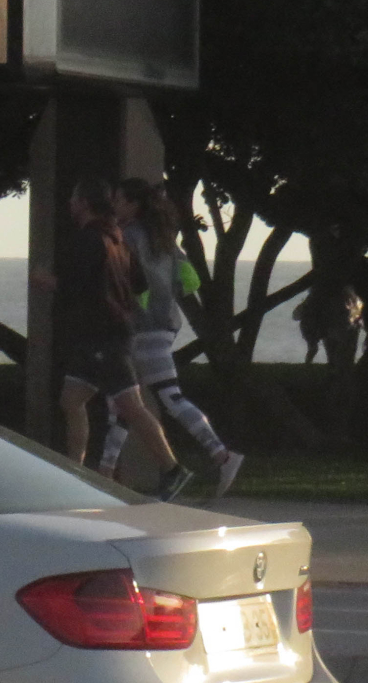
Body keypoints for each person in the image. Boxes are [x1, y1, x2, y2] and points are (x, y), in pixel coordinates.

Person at [33, 178, 188, 498]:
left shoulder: (90, 240)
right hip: (102, 336)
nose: (70, 204)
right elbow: (140, 283)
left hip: (103, 337)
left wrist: (47, 281)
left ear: (85, 203)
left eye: (74, 198)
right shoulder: (117, 238)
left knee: (130, 405)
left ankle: (173, 470)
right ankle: (75, 474)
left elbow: (79, 287)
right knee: (71, 400)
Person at [99, 178, 245, 497]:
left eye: (120, 201)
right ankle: (105, 472)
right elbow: (189, 280)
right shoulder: (164, 239)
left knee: (162, 397)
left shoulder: (127, 237)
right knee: (125, 400)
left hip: (141, 327)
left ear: (134, 205)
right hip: (164, 324)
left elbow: (120, 280)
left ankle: (222, 454)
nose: (115, 207)